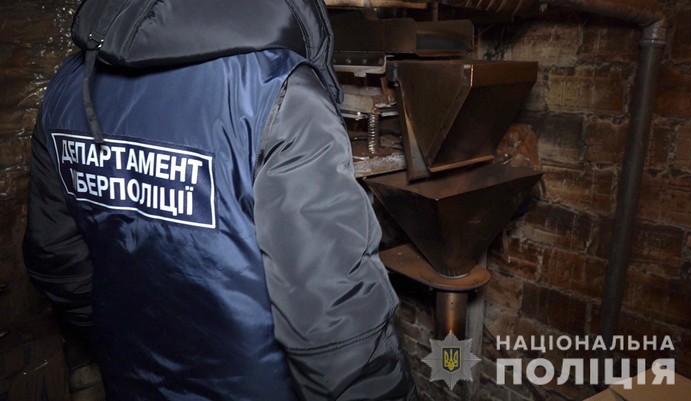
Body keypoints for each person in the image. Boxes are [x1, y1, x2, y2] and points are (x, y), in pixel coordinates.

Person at [23, 1, 416, 400]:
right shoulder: (279, 92)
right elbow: (336, 324)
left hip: (131, 378)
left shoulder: (68, 86)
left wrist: (127, 339)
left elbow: (56, 259)